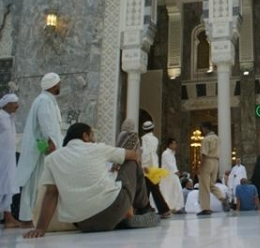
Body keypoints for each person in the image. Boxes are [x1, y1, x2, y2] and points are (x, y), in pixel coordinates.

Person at [23, 123, 159, 238]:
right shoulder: (97, 148)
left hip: (84, 224)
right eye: (92, 135)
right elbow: (133, 155)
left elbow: (51, 194)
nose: (94, 139)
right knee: (131, 161)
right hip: (113, 209)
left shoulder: (52, 159)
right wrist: (119, 162)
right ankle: (144, 209)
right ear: (85, 136)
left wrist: (40, 228)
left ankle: (121, 220)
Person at [15, 73, 63, 227]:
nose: (60, 86)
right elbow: (45, 125)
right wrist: (50, 145)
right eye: (58, 83)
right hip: (41, 149)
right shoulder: (44, 101)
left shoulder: (48, 100)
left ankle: (35, 216)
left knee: (41, 183)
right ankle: (27, 218)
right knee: (34, 183)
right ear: (53, 85)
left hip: (44, 148)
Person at [140, 120, 171, 218]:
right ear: (152, 129)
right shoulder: (155, 139)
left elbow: (146, 153)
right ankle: (145, 208)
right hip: (155, 166)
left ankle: (163, 210)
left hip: (148, 167)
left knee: (151, 189)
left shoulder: (145, 139)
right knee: (150, 189)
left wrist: (144, 165)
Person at [197, 121, 229, 215]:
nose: (202, 131)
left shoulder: (206, 139)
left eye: (202, 128)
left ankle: (205, 208)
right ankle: (222, 198)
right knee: (211, 184)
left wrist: (200, 166)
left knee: (204, 186)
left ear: (205, 128)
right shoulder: (217, 138)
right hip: (216, 162)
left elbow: (204, 154)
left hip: (207, 161)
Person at [0, 93, 20, 228]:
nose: (17, 105)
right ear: (7, 104)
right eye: (14, 103)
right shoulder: (0, 117)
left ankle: (8, 217)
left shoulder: (9, 118)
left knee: (8, 185)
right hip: (1, 158)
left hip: (9, 158)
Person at [160, 138, 184, 213]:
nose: (175, 145)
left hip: (172, 175)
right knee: (168, 191)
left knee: (175, 190)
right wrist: (176, 171)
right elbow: (170, 164)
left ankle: (175, 207)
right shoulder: (166, 153)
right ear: (170, 144)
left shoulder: (172, 153)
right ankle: (169, 207)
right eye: (174, 143)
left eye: (176, 144)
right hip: (168, 176)